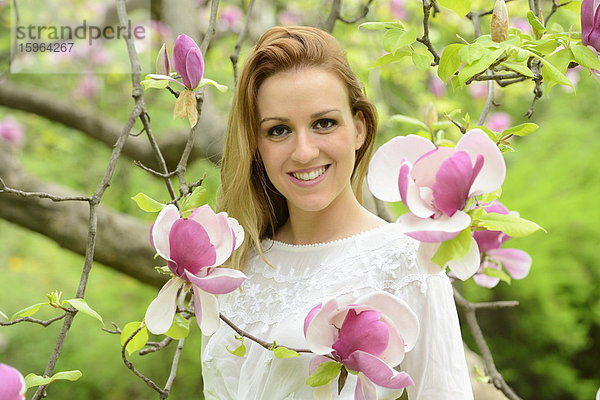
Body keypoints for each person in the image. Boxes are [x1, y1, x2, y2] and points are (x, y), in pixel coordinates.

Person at [203, 26, 473, 399]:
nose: (303, 152)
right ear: (256, 146)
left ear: (359, 128)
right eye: (278, 130)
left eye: (323, 123)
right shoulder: (236, 264)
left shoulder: (409, 262)